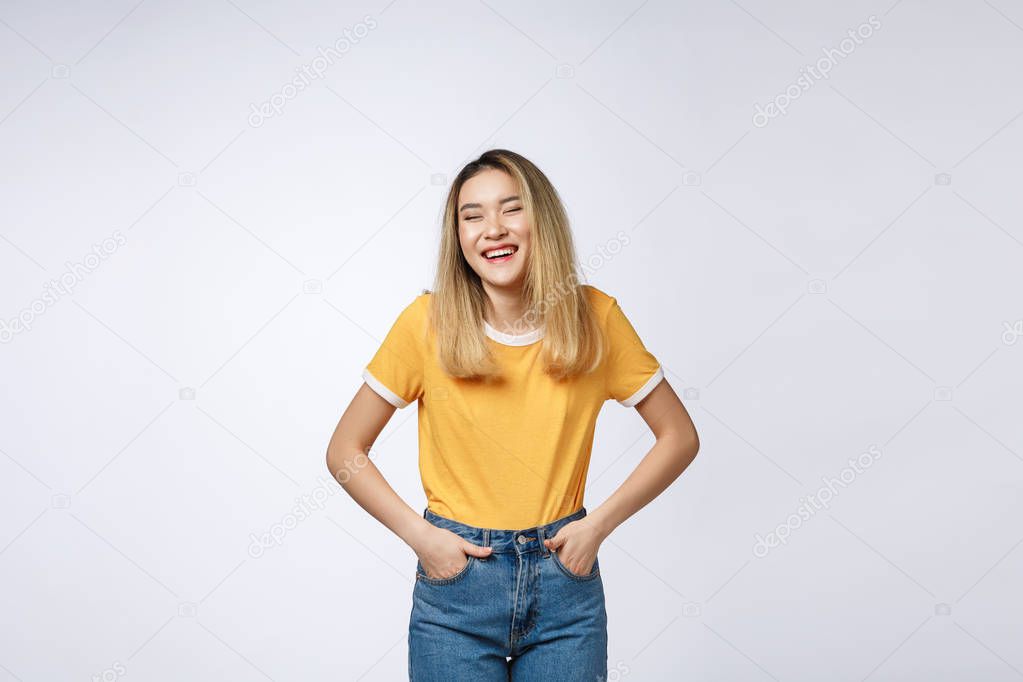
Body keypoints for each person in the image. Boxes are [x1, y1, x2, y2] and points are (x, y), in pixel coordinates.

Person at [326, 149, 700, 680]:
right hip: (456, 593)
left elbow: (679, 437)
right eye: (471, 216)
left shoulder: (597, 318)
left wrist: (596, 528)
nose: (492, 229)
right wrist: (423, 538)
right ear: (457, 237)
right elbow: (344, 451)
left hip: (563, 587)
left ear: (540, 219)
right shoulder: (424, 324)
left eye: (510, 209)